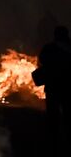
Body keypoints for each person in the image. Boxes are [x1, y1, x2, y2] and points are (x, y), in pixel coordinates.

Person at [35, 25, 71, 154]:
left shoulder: (49, 48)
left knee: (53, 117)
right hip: (67, 88)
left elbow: (41, 60)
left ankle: (53, 144)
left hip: (53, 88)